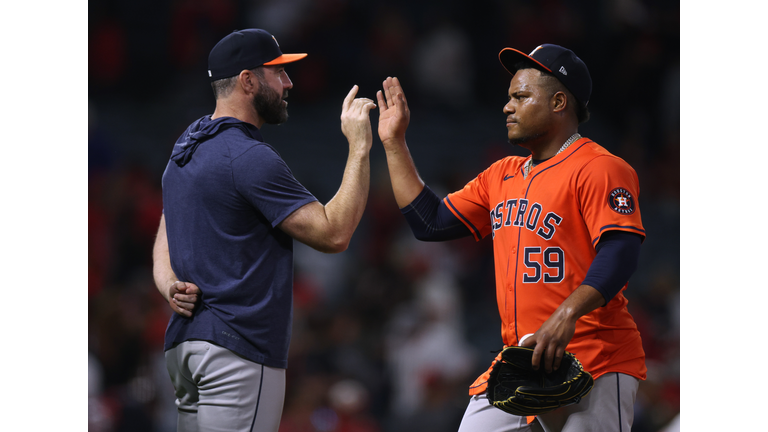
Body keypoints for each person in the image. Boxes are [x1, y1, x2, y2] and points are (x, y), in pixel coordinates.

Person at [376, 44, 646, 432]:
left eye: (520, 96)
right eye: (508, 98)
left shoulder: (600, 168)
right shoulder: (500, 174)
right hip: (520, 360)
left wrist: (566, 313)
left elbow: (621, 251)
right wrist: (394, 142)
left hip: (595, 358)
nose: (507, 107)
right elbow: (430, 223)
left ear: (558, 101)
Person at [151, 28, 376, 432]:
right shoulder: (248, 156)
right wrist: (359, 147)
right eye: (278, 73)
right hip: (236, 351)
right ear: (248, 80)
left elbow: (167, 222)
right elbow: (334, 234)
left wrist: (168, 282)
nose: (288, 82)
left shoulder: (187, 144)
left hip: (185, 348)